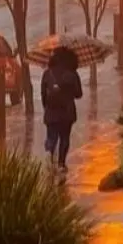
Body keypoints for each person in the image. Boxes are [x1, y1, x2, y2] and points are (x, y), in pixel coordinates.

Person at [41, 46, 82, 174]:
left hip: (51, 112)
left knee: (52, 136)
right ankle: (61, 164)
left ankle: (50, 153)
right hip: (67, 112)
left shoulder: (47, 73)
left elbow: (43, 94)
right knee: (64, 138)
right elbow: (78, 94)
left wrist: (47, 107)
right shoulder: (72, 74)